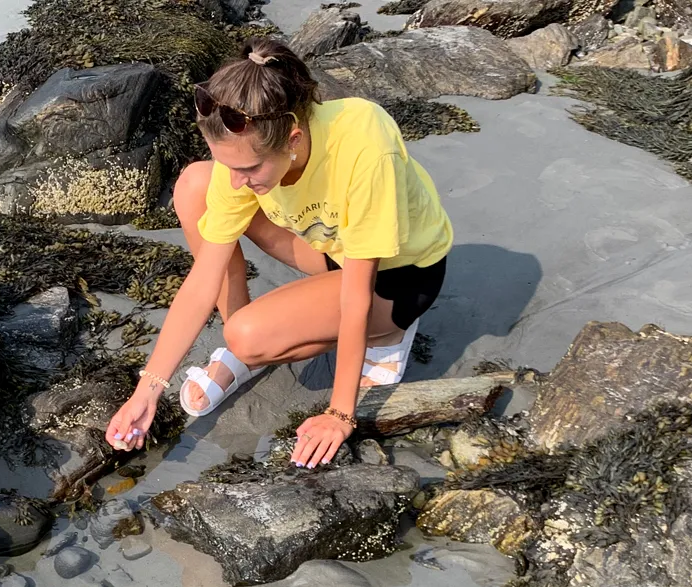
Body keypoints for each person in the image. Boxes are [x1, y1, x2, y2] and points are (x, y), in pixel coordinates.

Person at [103, 37, 454, 468]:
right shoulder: (247, 160)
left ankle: (388, 334)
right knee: (196, 185)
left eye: (249, 169)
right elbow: (203, 279)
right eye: (229, 164)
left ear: (294, 138)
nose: (236, 181)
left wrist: (340, 414)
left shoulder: (364, 139)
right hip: (329, 247)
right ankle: (246, 351)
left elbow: (356, 292)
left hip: (398, 274)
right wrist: (148, 389)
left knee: (250, 335)